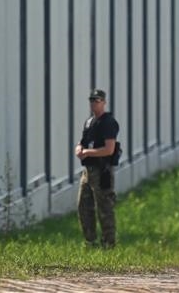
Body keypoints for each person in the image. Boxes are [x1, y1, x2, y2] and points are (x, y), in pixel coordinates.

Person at [75, 89, 120, 248]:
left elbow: (109, 149)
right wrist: (79, 148)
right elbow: (82, 141)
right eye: (92, 100)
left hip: (102, 170)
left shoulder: (108, 122)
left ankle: (109, 243)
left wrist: (88, 152)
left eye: (97, 100)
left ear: (104, 102)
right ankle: (90, 241)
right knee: (83, 206)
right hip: (88, 171)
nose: (94, 103)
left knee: (104, 207)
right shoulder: (89, 122)